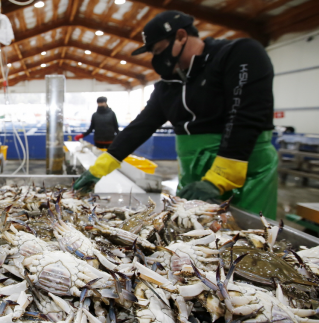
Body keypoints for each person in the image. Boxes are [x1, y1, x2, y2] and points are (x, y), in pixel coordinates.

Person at [73, 11, 278, 218]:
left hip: (243, 167)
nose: (158, 59)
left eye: (159, 50)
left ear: (181, 36)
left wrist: (220, 178)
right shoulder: (168, 86)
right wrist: (98, 170)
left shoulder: (239, 54)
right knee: (188, 233)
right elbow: (140, 127)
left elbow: (244, 116)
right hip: (193, 174)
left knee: (247, 234)